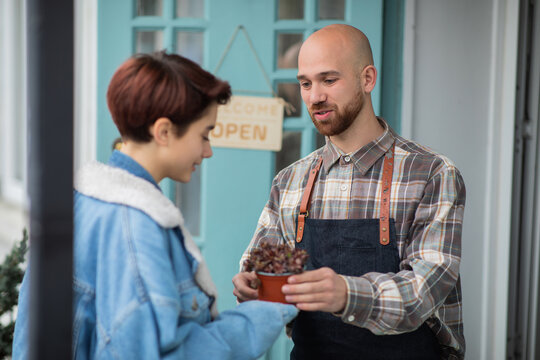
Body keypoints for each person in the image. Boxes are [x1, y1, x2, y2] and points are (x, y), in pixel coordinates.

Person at [12, 51, 298, 359]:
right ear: (163, 132)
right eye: (204, 135)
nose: (208, 151)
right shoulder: (134, 225)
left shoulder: (83, 200)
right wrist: (268, 310)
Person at [233, 24, 466, 360]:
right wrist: (249, 286)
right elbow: (260, 269)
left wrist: (345, 293)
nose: (315, 96)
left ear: (367, 79)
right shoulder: (289, 181)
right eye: (305, 83)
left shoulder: (431, 174)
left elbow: (425, 291)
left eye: (329, 80)